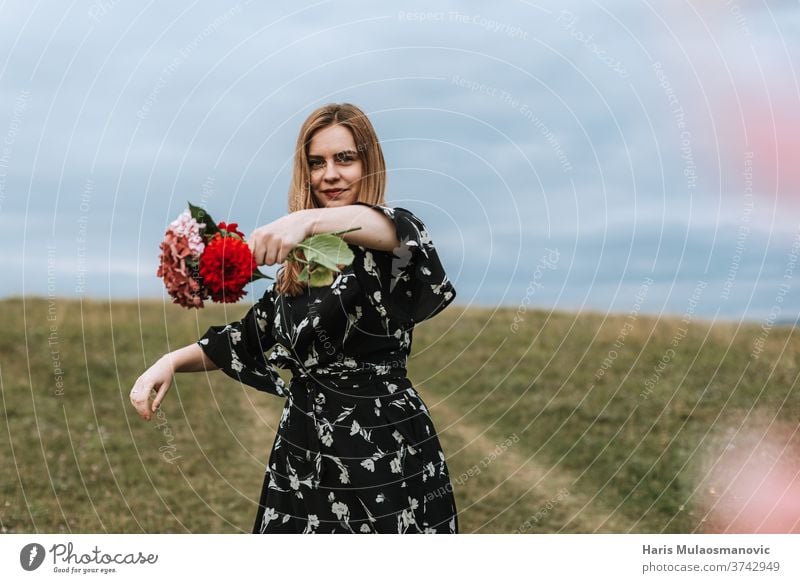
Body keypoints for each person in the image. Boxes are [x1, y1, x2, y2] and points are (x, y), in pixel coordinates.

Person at [130, 103, 459, 534]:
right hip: (302, 450)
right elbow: (244, 339)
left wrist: (304, 220)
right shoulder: (302, 269)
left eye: (345, 158)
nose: (330, 174)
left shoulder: (391, 242)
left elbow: (394, 229)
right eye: (317, 163)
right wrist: (168, 362)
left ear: (369, 162)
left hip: (382, 444)